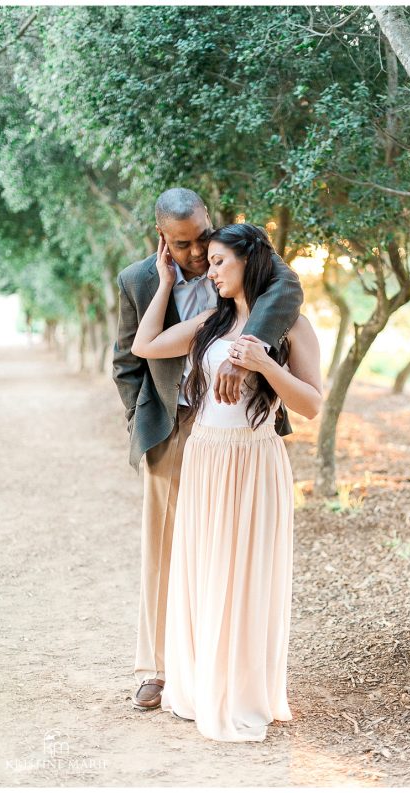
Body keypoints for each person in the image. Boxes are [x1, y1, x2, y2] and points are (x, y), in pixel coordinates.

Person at [112, 189, 304, 711]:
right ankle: (155, 668)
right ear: (162, 240)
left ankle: (217, 665)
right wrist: (145, 421)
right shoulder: (139, 279)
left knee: (226, 551)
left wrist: (249, 355)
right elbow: (129, 358)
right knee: (164, 550)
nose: (198, 254)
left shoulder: (249, 260)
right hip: (172, 431)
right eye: (184, 244)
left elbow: (287, 291)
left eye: (203, 237)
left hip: (239, 429)